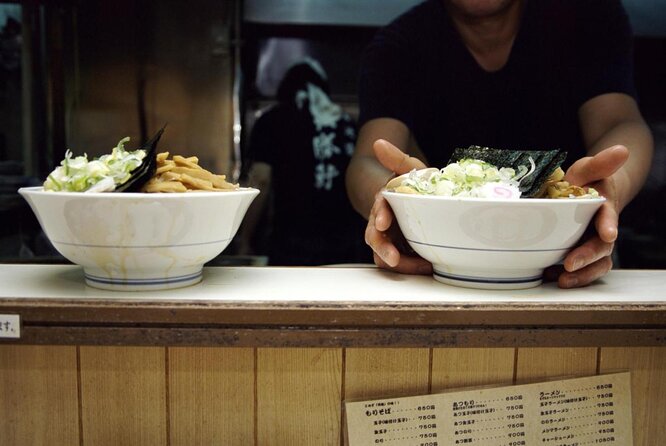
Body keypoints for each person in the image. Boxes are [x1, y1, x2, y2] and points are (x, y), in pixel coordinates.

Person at [346, 0, 654, 288]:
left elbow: (620, 123)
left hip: (567, 261)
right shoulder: (398, 48)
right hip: (440, 267)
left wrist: (608, 187)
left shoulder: (588, 16)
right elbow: (369, 159)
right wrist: (394, 201)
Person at [242, 58, 370, 266]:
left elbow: (261, 180)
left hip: (290, 247)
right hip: (344, 249)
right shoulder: (347, 123)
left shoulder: (272, 120)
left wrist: (245, 239)